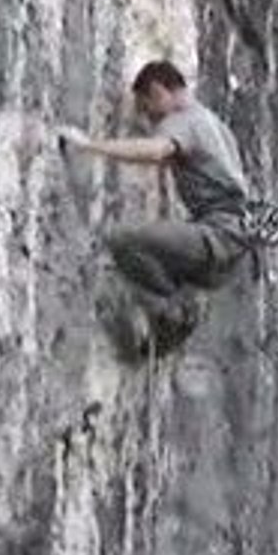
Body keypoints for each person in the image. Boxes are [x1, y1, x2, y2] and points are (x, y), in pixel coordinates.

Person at [58, 60, 252, 357]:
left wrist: (90, 146)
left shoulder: (182, 120)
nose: (148, 119)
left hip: (220, 234)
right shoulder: (213, 123)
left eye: (146, 107)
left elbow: (156, 150)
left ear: (158, 91)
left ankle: (175, 311)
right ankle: (173, 315)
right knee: (161, 257)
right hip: (234, 247)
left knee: (122, 241)